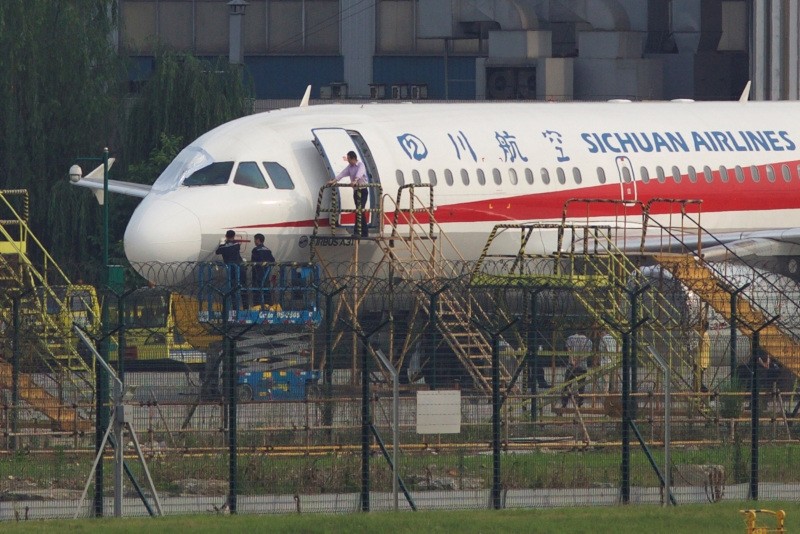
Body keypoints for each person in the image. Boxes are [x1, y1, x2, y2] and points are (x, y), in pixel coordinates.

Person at [328, 150, 369, 237]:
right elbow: (342, 174)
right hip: (356, 191)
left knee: (359, 210)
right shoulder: (350, 167)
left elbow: (360, 173)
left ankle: (358, 232)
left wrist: (355, 180)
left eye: (349, 159)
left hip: (363, 191)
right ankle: (364, 232)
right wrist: (333, 181)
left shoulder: (360, 165)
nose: (348, 161)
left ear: (353, 158)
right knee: (359, 211)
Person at [215, 230, 245, 307]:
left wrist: (222, 243)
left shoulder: (225, 246)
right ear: (234, 236)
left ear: (226, 236)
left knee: (232, 288)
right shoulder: (237, 244)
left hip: (232, 269)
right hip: (239, 267)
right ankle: (245, 306)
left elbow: (218, 252)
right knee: (242, 288)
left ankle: (235, 307)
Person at [562, 331, 592, 408]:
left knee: (567, 385)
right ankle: (580, 402)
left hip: (571, 365)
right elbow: (588, 354)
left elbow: (569, 351)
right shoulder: (588, 341)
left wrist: (572, 361)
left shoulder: (571, 338)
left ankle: (564, 403)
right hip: (582, 366)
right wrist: (579, 360)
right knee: (581, 385)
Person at [251, 233, 276, 307]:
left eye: (255, 240)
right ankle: (268, 305)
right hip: (266, 273)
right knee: (266, 289)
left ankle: (258, 306)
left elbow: (253, 261)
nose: (254, 241)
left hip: (257, 273)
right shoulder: (268, 250)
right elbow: (272, 260)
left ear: (258, 240)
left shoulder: (256, 250)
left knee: (257, 290)